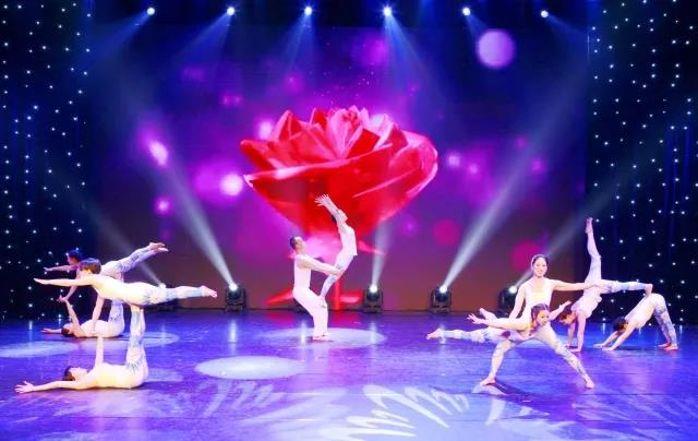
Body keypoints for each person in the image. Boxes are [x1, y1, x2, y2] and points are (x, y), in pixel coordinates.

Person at [427, 302, 594, 388]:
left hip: (511, 339)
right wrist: (481, 321)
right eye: (542, 317)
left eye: (546, 317)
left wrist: (561, 307)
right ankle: (441, 332)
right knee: (469, 336)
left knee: (564, 352)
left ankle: (586, 377)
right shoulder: (522, 324)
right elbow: (502, 323)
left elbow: (552, 315)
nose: (545, 320)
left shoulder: (544, 323)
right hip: (497, 334)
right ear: (534, 316)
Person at [34, 258, 217, 331]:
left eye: (81, 270)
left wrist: (47, 282)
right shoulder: (99, 281)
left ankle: (201, 290)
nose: (79, 273)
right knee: (171, 294)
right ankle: (200, 290)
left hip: (139, 294)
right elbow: (101, 303)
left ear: (88, 271)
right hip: (135, 294)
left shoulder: (94, 279)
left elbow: (69, 282)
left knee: (172, 294)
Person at [557, 218, 653, 352]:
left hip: (593, 285)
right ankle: (645, 286)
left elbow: (580, 332)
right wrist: (568, 344)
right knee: (617, 281)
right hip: (595, 289)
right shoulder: (573, 310)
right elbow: (571, 329)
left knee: (597, 259)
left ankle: (590, 232)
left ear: (568, 316)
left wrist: (578, 348)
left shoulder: (580, 313)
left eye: (563, 321)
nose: (564, 324)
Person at [16, 305, 149, 392]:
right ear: (74, 378)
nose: (78, 367)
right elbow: (57, 384)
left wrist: (100, 337)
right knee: (134, 341)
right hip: (133, 376)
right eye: (75, 369)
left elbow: (99, 353)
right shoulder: (83, 383)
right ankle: (136, 309)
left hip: (140, 374)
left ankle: (139, 310)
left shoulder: (96, 369)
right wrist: (34, 388)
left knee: (138, 340)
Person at [290, 235, 342, 341]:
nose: (304, 242)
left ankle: (322, 332)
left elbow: (319, 265)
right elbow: (318, 266)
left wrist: (332, 270)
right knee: (318, 307)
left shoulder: (305, 257)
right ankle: (317, 335)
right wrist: (334, 271)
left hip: (304, 290)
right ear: (297, 245)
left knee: (322, 304)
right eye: (301, 241)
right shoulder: (300, 259)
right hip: (300, 290)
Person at [594, 292, 678, 351]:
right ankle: (669, 342)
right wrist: (604, 344)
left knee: (667, 324)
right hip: (651, 300)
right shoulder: (625, 320)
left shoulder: (632, 322)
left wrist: (612, 348)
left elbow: (623, 336)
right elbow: (617, 333)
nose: (620, 333)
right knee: (662, 325)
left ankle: (674, 345)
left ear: (624, 326)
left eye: (621, 330)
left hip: (657, 300)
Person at [315, 194, 357, 303]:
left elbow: (336, 212)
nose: (343, 213)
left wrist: (329, 201)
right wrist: (327, 205)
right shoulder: (342, 227)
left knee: (332, 277)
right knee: (332, 278)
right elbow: (336, 214)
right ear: (339, 219)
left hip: (346, 256)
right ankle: (321, 296)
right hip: (345, 257)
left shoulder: (345, 226)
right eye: (342, 214)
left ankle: (321, 295)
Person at [41, 297, 124, 338]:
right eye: (69, 325)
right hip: (113, 329)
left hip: (114, 327)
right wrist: (66, 301)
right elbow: (73, 316)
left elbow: (62, 331)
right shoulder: (78, 332)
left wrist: (52, 331)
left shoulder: (78, 329)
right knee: (116, 301)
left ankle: (119, 278)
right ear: (70, 331)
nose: (70, 323)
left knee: (117, 301)